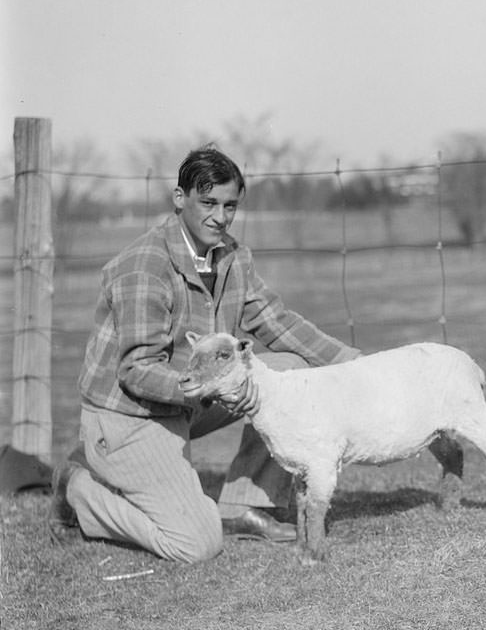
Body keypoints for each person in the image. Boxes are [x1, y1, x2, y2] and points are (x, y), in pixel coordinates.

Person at [49, 145, 360, 562]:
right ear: (180, 199)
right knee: (195, 544)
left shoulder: (232, 257)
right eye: (208, 202)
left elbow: (278, 322)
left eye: (230, 205)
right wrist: (216, 387)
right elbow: (137, 371)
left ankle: (243, 505)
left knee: (292, 368)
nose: (220, 216)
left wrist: (355, 365)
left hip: (191, 399)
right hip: (131, 414)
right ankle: (78, 490)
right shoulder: (145, 265)